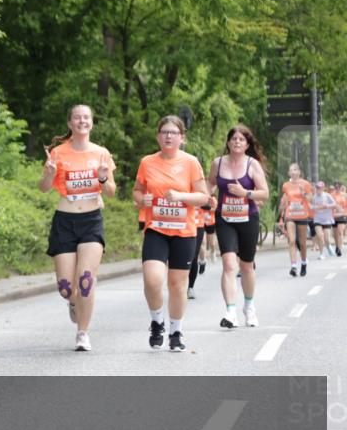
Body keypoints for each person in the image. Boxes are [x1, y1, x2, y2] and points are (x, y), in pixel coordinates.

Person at [39, 104, 116, 352]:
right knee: (66, 288)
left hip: (91, 219)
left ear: (91, 123)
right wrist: (49, 173)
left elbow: (112, 192)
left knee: (86, 280)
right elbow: (43, 187)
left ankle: (82, 333)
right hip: (65, 220)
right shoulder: (58, 152)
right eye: (77, 118)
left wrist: (103, 178)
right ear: (70, 123)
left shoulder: (101, 153)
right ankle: (73, 302)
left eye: (86, 117)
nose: (82, 121)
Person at [133, 115, 209, 352]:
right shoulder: (147, 162)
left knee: (177, 285)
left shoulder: (191, 162)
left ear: (181, 138)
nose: (168, 136)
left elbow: (203, 197)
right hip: (156, 229)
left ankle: (176, 331)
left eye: (173, 133)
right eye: (164, 132)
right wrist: (141, 199)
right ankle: (157, 322)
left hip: (184, 232)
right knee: (152, 279)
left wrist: (181, 196)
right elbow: (137, 192)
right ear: (158, 136)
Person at [207, 124, 270, 329]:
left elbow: (264, 193)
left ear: (247, 145)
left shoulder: (252, 165)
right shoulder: (218, 163)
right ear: (227, 143)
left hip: (248, 218)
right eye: (233, 139)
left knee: (246, 266)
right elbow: (210, 184)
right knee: (229, 264)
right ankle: (231, 311)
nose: (237, 142)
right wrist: (208, 198)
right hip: (225, 218)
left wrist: (245, 193)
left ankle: (249, 307)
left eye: (241, 140)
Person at [279, 163, 313, 277]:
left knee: (302, 243)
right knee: (292, 241)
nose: (293, 172)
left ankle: (303, 263)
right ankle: (293, 266)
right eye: (291, 170)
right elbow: (283, 202)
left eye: (295, 170)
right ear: (289, 173)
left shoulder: (305, 184)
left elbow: (311, 199)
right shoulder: (286, 185)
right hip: (290, 215)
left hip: (302, 215)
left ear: (299, 172)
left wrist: (304, 194)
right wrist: (282, 206)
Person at [312, 181, 337, 259]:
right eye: (317, 188)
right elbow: (310, 207)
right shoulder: (314, 197)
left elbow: (334, 204)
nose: (318, 189)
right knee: (320, 236)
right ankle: (321, 254)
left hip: (327, 220)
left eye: (319, 188)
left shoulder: (327, 196)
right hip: (317, 219)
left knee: (326, 239)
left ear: (323, 188)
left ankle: (328, 246)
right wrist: (315, 208)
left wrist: (327, 206)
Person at [332, 181, 346, 257]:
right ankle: (337, 245)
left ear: (341, 187)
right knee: (335, 234)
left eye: (338, 187)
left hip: (342, 215)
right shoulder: (331, 195)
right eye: (336, 187)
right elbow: (329, 205)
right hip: (333, 216)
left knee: (340, 232)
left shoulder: (344, 195)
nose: (337, 188)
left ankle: (339, 248)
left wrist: (344, 212)